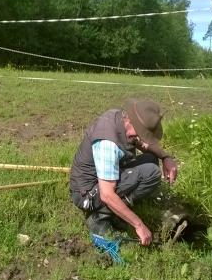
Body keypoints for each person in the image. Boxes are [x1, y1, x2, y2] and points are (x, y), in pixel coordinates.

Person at [69, 98, 178, 246]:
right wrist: (139, 225)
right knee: (151, 173)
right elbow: (106, 194)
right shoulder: (107, 142)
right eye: (141, 134)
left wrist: (165, 157)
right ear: (130, 121)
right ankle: (100, 217)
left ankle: (119, 211)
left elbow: (144, 145)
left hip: (103, 180)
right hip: (88, 193)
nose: (141, 139)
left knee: (151, 159)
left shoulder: (121, 119)